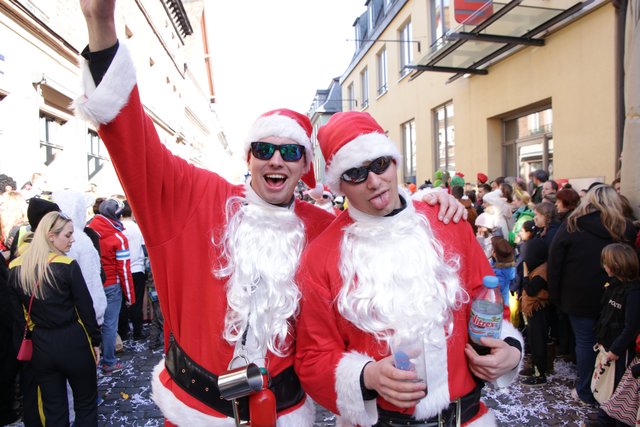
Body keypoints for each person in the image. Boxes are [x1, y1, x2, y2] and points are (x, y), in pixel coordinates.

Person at [75, 2, 464, 424]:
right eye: (264, 149)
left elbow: (383, 232)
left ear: (304, 166)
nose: (276, 160)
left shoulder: (325, 230)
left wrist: (426, 206)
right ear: (249, 157)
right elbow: (134, 142)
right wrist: (101, 22)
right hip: (196, 413)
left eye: (290, 152)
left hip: (285, 412)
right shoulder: (196, 198)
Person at [294, 111, 523, 426]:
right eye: (355, 173)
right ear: (339, 186)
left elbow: (488, 301)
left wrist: (510, 349)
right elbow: (313, 357)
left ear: (394, 162)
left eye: (380, 164)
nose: (374, 182)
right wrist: (368, 376)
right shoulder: (321, 256)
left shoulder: (448, 221)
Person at [8, 211, 101, 426]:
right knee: (86, 404)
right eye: (68, 235)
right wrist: (95, 341)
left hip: (42, 344)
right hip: (74, 341)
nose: (72, 239)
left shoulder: (16, 267)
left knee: (53, 408)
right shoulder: (67, 265)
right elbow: (86, 309)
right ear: (51, 236)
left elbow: (18, 316)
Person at [548, 185, 637, 405]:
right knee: (610, 343)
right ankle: (609, 392)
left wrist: (555, 295)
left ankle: (587, 390)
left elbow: (555, 261)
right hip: (616, 295)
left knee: (585, 342)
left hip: (578, 296)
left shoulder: (573, 224)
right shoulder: (624, 227)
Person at [592, 243, 640, 426]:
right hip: (607, 345)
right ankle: (604, 418)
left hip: (620, 353)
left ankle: (611, 420)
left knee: (615, 389)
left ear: (616, 265)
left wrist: (615, 350)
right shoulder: (612, 285)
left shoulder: (633, 293)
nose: (604, 266)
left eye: (606, 262)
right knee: (604, 386)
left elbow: (631, 327)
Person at [87, 198, 135, 374]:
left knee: (92, 323)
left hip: (92, 283)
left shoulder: (88, 230)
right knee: (109, 325)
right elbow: (124, 269)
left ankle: (92, 360)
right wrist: (130, 296)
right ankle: (108, 362)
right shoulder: (119, 238)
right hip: (111, 285)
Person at [518, 238, 552, 387]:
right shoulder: (539, 268)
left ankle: (540, 374)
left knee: (538, 341)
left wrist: (526, 275)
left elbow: (531, 290)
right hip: (534, 310)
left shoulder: (542, 272)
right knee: (533, 340)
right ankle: (535, 367)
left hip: (539, 309)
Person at [119, 200, 147, 340]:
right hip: (137, 268)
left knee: (122, 302)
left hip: (122, 269)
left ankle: (123, 332)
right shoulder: (137, 227)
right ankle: (137, 331)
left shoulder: (118, 227)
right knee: (137, 301)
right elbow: (144, 247)